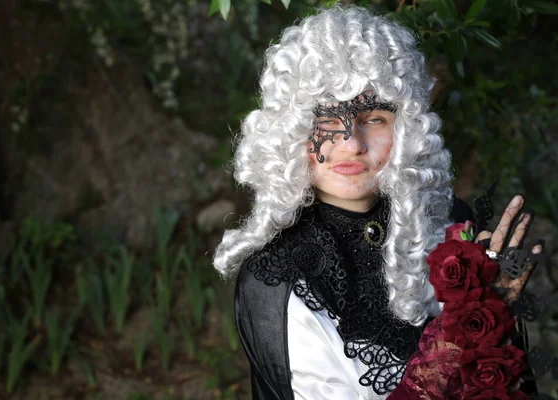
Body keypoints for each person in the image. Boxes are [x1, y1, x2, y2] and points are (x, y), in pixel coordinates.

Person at [213, 6, 543, 399]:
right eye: (327, 119)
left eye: (373, 118)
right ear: (292, 130)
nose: (350, 143)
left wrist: (496, 315)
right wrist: (462, 330)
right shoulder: (279, 280)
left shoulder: (447, 220)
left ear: (406, 128)